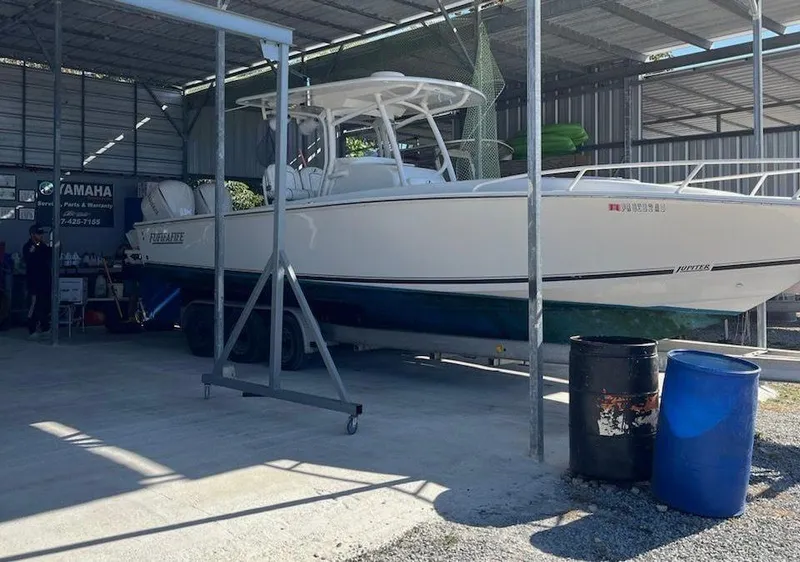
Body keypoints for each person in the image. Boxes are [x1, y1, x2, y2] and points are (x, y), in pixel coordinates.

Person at [22, 223, 52, 338]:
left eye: (41, 234)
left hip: (44, 280)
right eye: (38, 234)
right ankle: (32, 328)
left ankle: (45, 327)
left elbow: (50, 255)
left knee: (44, 304)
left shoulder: (43, 246)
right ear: (32, 235)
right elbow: (28, 259)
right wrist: (33, 250)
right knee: (33, 304)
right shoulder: (28, 247)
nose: (41, 236)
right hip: (34, 281)